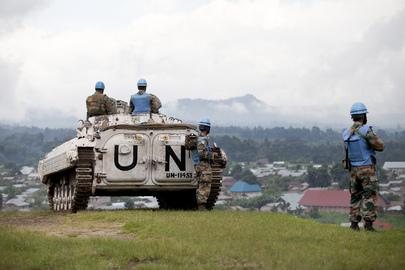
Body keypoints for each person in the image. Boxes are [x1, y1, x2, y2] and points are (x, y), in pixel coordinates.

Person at [342, 102, 385, 232]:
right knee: (369, 195)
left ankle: (354, 225)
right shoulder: (367, 131)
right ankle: (369, 226)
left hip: (353, 170)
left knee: (355, 196)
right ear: (362, 116)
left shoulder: (346, 133)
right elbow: (381, 146)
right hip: (366, 169)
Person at [192, 117, 218, 211]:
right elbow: (201, 153)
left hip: (201, 165)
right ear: (208, 129)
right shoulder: (202, 140)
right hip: (203, 166)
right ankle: (201, 206)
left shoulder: (200, 138)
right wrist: (213, 154)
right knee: (204, 185)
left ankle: (200, 205)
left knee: (201, 184)